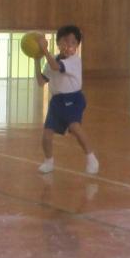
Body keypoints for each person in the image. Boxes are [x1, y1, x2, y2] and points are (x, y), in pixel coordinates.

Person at [34, 26, 99, 175]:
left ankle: (91, 158)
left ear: (77, 46)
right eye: (65, 41)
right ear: (58, 43)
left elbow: (55, 67)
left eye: (73, 42)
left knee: (75, 127)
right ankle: (48, 162)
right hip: (57, 102)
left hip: (73, 99)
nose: (69, 45)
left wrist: (44, 50)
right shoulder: (52, 60)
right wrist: (36, 60)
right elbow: (40, 81)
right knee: (46, 135)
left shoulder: (74, 60)